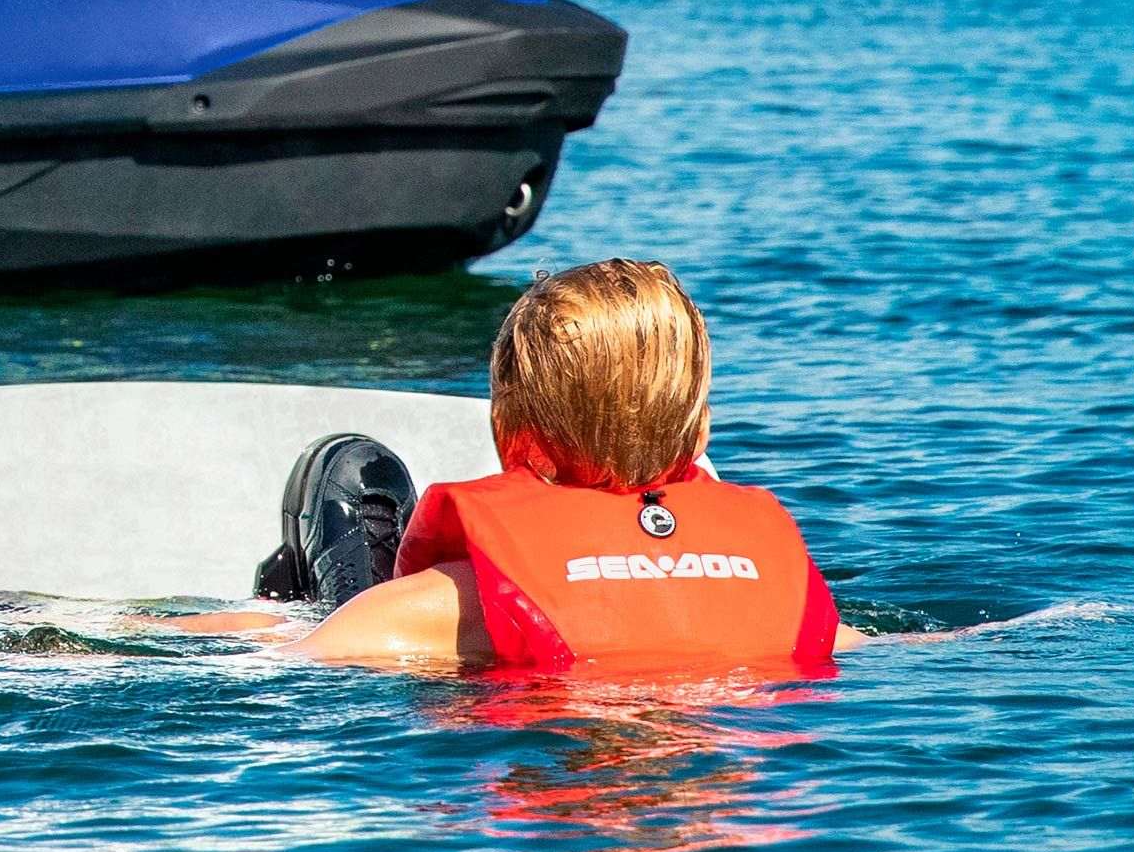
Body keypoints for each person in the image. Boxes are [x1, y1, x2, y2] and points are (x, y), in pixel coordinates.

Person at [266, 259, 860, 674]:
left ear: (512, 430)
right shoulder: (789, 602)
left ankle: (327, 590)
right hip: (722, 757)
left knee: (306, 623)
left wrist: (266, 623)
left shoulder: (458, 603)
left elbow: (290, 664)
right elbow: (888, 651)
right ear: (700, 427)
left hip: (534, 783)